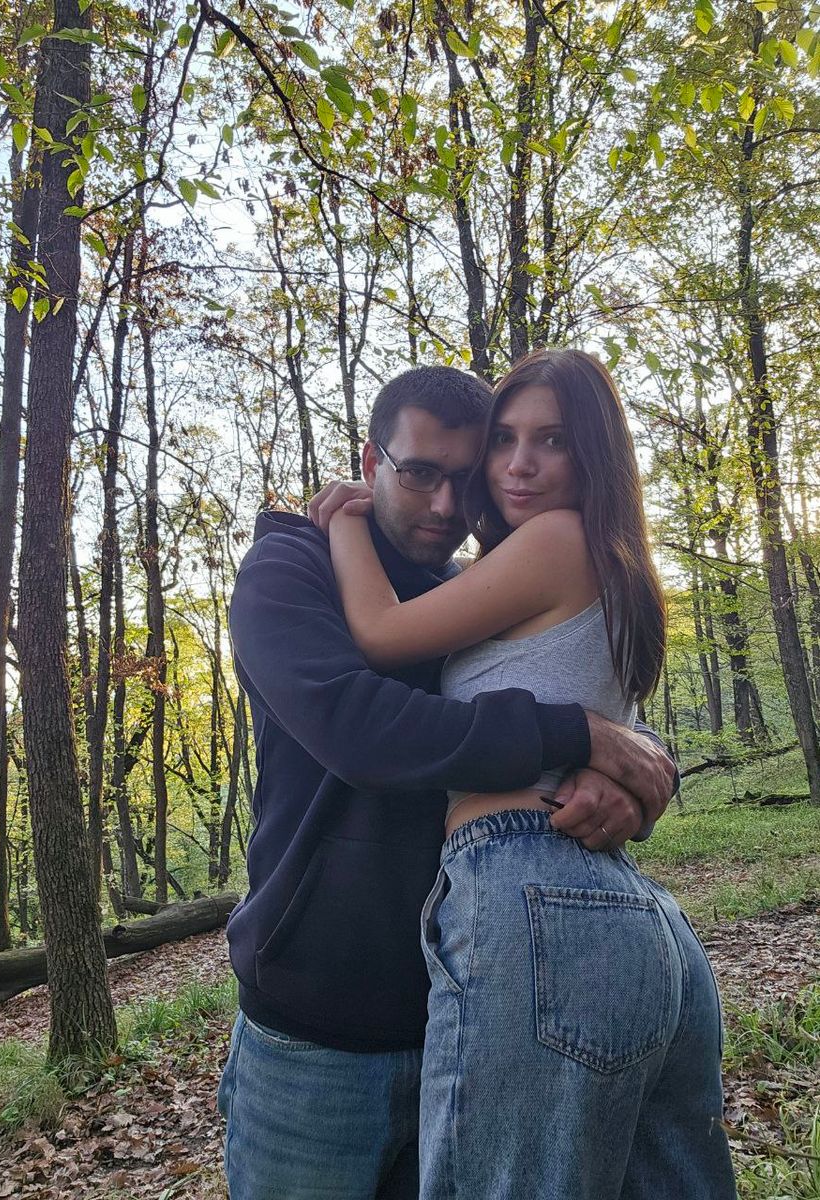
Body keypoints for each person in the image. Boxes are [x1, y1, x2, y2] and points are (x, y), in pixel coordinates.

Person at [220, 365, 678, 1199]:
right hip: (317, 1032)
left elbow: (581, 681)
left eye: (464, 481)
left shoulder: (471, 583)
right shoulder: (289, 566)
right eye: (420, 473)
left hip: (473, 998)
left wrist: (636, 773)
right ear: (372, 461)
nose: (444, 505)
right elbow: (359, 729)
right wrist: (574, 736)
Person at [318, 349, 736, 1200]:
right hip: (633, 914)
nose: (518, 463)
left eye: (552, 439)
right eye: (504, 439)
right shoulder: (611, 560)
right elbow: (613, 728)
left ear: (595, 454)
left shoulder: (554, 538)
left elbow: (381, 633)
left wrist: (344, 520)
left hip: (525, 892)